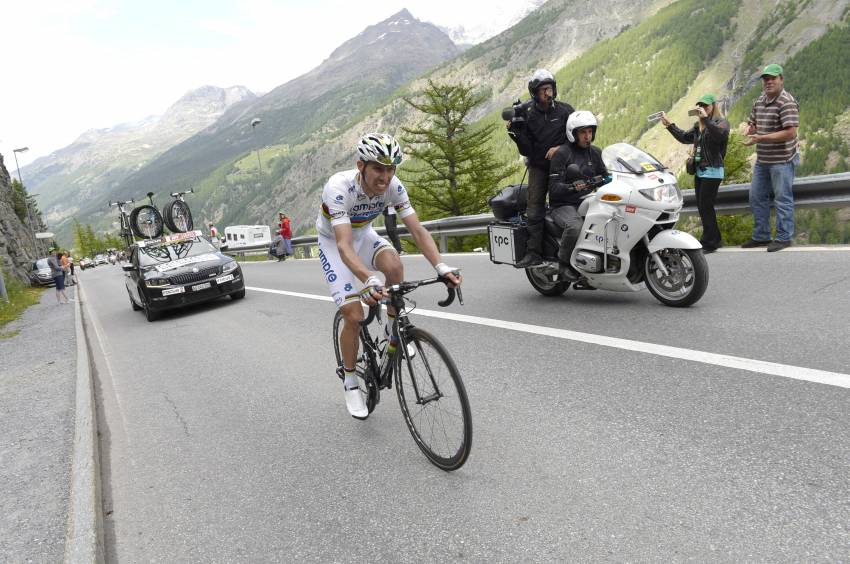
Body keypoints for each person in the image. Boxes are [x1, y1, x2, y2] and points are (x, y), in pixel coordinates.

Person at [316, 133, 461, 419]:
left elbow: (417, 231)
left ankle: (392, 330)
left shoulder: (394, 186)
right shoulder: (339, 188)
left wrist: (441, 267)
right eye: (378, 169)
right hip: (335, 243)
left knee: (394, 267)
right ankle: (350, 381)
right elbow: (344, 245)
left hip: (364, 234)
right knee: (354, 316)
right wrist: (368, 278)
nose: (385, 177)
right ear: (361, 166)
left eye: (391, 168)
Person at [506, 69, 574, 268]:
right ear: (535, 93)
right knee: (534, 210)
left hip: (564, 168)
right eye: (544, 89)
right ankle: (533, 253)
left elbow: (577, 138)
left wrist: (560, 148)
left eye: (550, 88)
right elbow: (526, 149)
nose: (548, 92)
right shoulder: (528, 115)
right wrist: (516, 133)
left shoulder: (566, 111)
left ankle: (570, 250)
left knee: (570, 205)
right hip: (539, 168)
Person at [660, 93, 730, 253]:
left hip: (713, 171)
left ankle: (709, 242)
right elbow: (684, 137)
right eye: (700, 106)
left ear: (713, 107)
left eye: (706, 106)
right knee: (703, 206)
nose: (703, 109)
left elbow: (720, 136)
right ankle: (714, 239)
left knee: (706, 206)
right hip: (700, 171)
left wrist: (705, 119)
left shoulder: (722, 123)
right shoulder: (698, 127)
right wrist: (669, 125)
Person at [741, 63, 800, 252]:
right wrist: (751, 130)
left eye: (773, 78)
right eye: (766, 79)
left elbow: (790, 132)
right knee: (756, 197)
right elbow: (754, 122)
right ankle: (762, 236)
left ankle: (784, 237)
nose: (769, 82)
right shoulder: (760, 101)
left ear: (781, 79)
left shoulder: (786, 102)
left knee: (782, 198)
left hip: (782, 160)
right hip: (763, 160)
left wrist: (762, 137)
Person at [547, 111, 608, 281]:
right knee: (575, 226)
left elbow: (605, 175)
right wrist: (572, 187)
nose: (587, 136)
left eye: (590, 132)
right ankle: (563, 264)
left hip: (587, 200)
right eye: (583, 132)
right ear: (573, 134)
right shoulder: (563, 153)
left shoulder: (595, 152)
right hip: (563, 205)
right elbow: (553, 188)